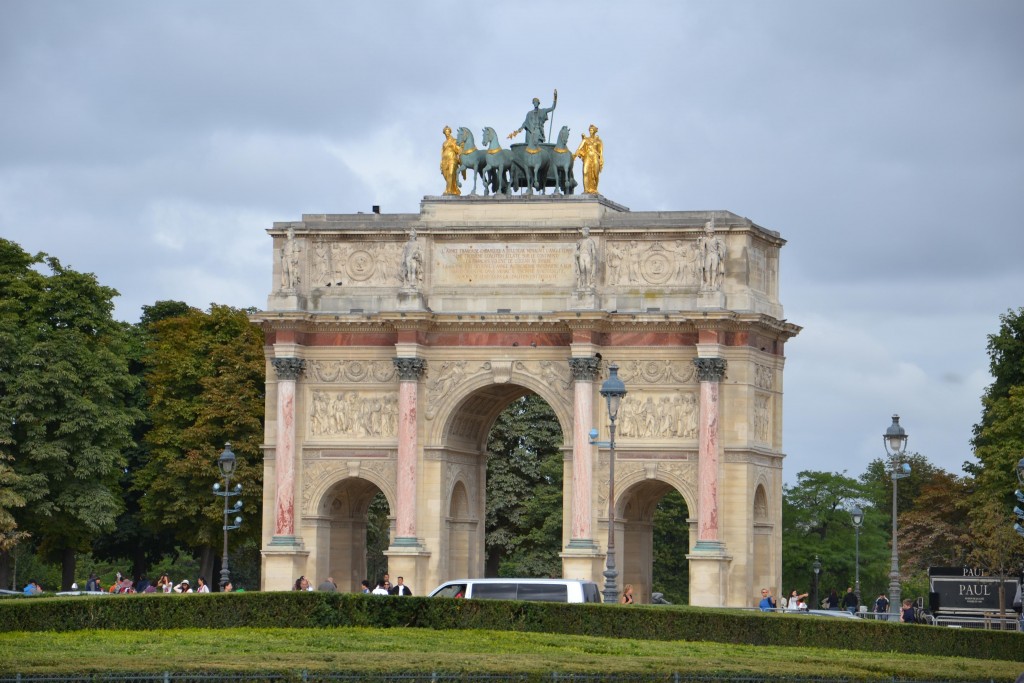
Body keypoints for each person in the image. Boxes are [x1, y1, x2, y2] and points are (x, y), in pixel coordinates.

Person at [573, 124, 604, 194]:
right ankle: (586, 190)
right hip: (587, 157)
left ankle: (595, 189)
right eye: (590, 130)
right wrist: (575, 155)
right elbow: (579, 148)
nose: (590, 131)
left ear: (595, 131)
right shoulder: (585, 140)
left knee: (596, 174)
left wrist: (601, 160)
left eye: (592, 130)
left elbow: (601, 152)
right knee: (585, 172)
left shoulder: (599, 141)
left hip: (595, 157)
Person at [440, 125, 462, 196]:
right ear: (444, 133)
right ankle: (452, 189)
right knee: (445, 175)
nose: (447, 133)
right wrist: (441, 163)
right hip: (444, 160)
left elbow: (459, 150)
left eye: (448, 131)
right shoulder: (444, 143)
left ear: (450, 132)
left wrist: (460, 158)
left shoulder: (454, 140)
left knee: (451, 173)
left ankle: (448, 190)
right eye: (446, 132)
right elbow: (442, 153)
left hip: (452, 159)